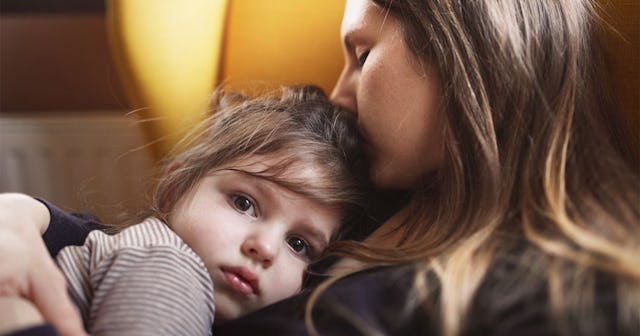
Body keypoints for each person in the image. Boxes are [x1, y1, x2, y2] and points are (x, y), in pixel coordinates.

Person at [1, 0, 639, 335]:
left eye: (361, 54)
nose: (339, 94)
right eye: (249, 204)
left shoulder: (558, 296)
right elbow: (146, 245)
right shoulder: (388, 195)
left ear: (463, 51)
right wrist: (22, 216)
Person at [0, 85, 370, 336]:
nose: (266, 248)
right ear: (176, 188)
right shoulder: (170, 268)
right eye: (244, 203)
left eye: (299, 244)